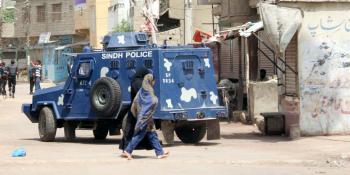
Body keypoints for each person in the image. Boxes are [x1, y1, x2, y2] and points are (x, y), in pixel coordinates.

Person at [122, 74, 169, 160]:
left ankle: (160, 152)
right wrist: (156, 100)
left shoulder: (142, 90)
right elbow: (152, 101)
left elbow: (135, 103)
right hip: (144, 117)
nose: (154, 82)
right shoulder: (149, 91)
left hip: (145, 116)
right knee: (140, 135)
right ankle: (128, 150)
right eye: (153, 81)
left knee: (152, 134)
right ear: (150, 81)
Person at [119, 67, 152, 151]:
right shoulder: (139, 83)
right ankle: (127, 150)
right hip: (138, 110)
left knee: (132, 130)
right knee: (139, 130)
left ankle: (126, 149)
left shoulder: (135, 81)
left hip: (136, 110)